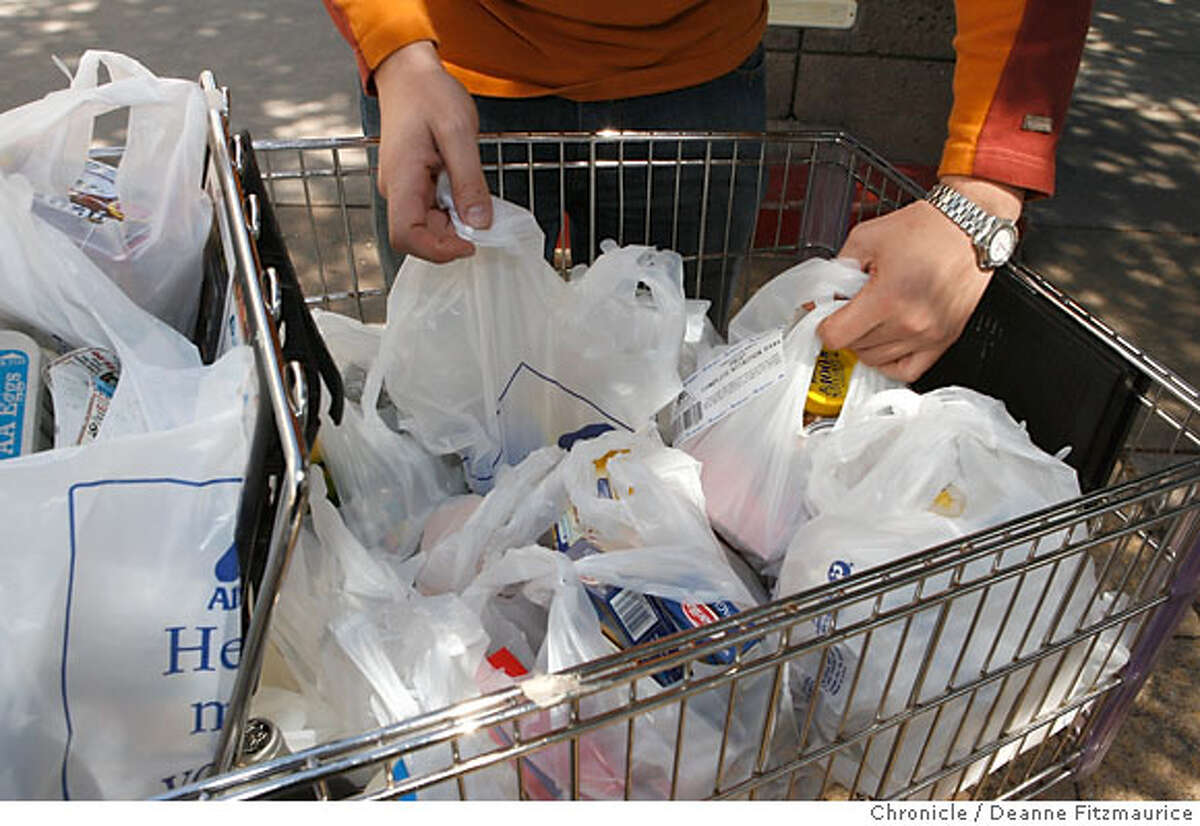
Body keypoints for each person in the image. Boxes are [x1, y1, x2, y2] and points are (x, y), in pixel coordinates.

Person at [322, 1, 1094, 382]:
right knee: (447, 393)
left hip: (697, 78)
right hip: (444, 69)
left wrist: (986, 185)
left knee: (666, 387)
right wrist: (394, 46)